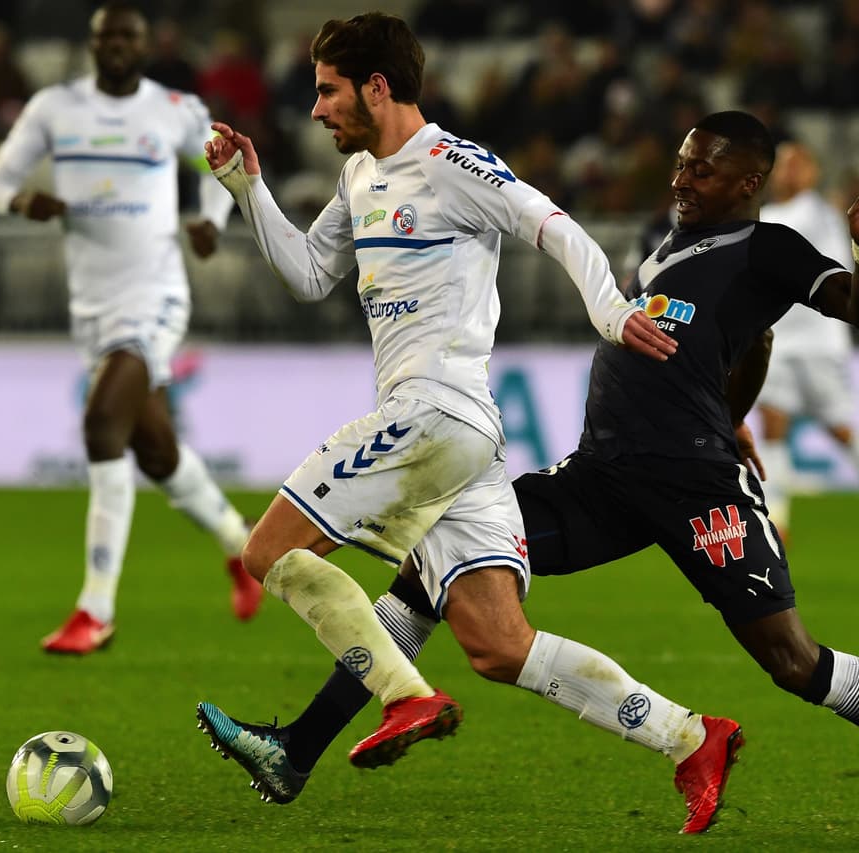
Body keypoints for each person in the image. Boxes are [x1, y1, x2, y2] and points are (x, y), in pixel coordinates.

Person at [212, 111, 859, 835]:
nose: (683, 176)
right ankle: (298, 749)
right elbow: (751, 346)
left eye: (703, 167)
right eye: (681, 161)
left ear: (748, 181)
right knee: (438, 566)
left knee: (792, 662)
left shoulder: (772, 249)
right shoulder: (670, 242)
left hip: (698, 489)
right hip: (601, 477)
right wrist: (735, 408)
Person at [192, 13, 755, 835]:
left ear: (376, 86)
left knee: (267, 551)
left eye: (327, 90)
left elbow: (552, 224)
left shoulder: (453, 163)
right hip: (465, 439)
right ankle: (689, 736)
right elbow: (311, 275)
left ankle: (407, 697)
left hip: (430, 411)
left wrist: (610, 311)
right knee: (498, 642)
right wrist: (248, 186)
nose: (315, 110)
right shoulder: (359, 174)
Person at [0, 2, 262, 654]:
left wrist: (212, 223)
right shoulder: (55, 109)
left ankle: (95, 609)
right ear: (93, 43)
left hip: (156, 296)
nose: (116, 46)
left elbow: (223, 170)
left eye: (127, 37)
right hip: (92, 307)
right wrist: (26, 200)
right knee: (155, 450)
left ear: (142, 46)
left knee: (102, 422)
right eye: (106, 36)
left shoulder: (174, 109)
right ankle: (239, 543)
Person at [757, 140, 859, 544]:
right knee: (772, 427)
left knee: (841, 428)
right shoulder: (765, 216)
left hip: (821, 342)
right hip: (778, 340)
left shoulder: (820, 212)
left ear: (812, 173)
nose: (788, 171)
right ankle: (777, 519)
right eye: (783, 164)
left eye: (797, 163)